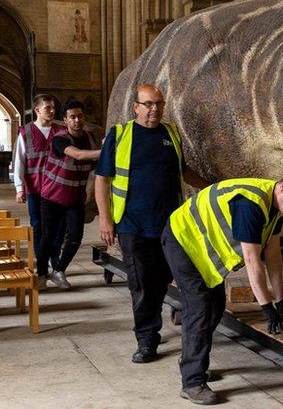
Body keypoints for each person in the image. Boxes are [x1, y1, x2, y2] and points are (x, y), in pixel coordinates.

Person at [162, 169, 283, 405]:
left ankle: (191, 362)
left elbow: (273, 256)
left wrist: (281, 300)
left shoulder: (275, 209)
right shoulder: (251, 204)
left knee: (215, 308)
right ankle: (192, 381)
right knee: (201, 309)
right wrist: (266, 307)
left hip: (201, 251)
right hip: (182, 240)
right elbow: (252, 261)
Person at [95, 84, 209, 364]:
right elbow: (102, 178)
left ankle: (163, 312)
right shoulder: (120, 135)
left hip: (170, 225)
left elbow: (182, 171)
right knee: (142, 284)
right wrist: (106, 219)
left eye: (158, 103)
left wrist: (212, 188)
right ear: (135, 107)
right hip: (132, 225)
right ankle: (147, 340)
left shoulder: (170, 133)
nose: (154, 109)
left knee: (165, 277)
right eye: (148, 104)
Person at [37, 100, 101, 290]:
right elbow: (79, 155)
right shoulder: (59, 139)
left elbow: (94, 170)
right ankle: (41, 274)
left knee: (75, 236)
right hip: (52, 197)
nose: (77, 121)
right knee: (48, 237)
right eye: (72, 117)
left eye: (80, 116)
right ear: (65, 120)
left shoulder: (89, 138)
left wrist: (89, 193)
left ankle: (58, 270)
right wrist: (106, 150)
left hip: (74, 198)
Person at [13, 94, 65, 279]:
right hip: (35, 188)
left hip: (57, 188)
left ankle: (54, 258)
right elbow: (19, 161)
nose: (52, 111)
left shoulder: (61, 131)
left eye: (53, 108)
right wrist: (20, 188)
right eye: (47, 108)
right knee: (38, 226)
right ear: (37, 110)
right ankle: (42, 262)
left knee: (58, 226)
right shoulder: (25, 132)